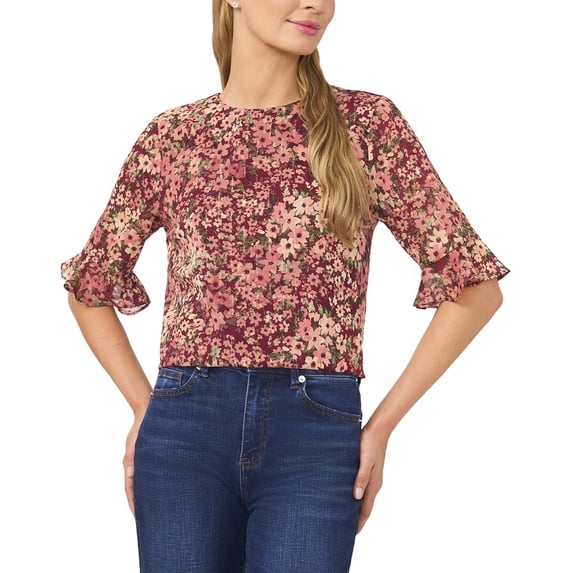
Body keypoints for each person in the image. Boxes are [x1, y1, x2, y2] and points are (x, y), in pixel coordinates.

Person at [61, 0, 509, 571]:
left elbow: (475, 288)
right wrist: (145, 410)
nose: (315, 3)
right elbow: (90, 284)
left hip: (315, 433)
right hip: (185, 429)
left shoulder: (366, 125)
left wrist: (381, 429)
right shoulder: (174, 137)